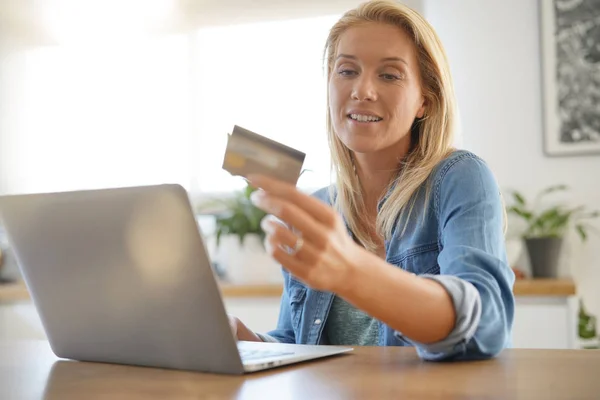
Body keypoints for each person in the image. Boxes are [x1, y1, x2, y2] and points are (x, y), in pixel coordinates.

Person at [229, 0, 515, 361]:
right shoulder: (318, 207)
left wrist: (352, 272)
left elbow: (486, 327)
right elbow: (297, 340)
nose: (362, 90)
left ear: (424, 101)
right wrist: (244, 340)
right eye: (346, 71)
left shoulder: (459, 178)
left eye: (389, 75)